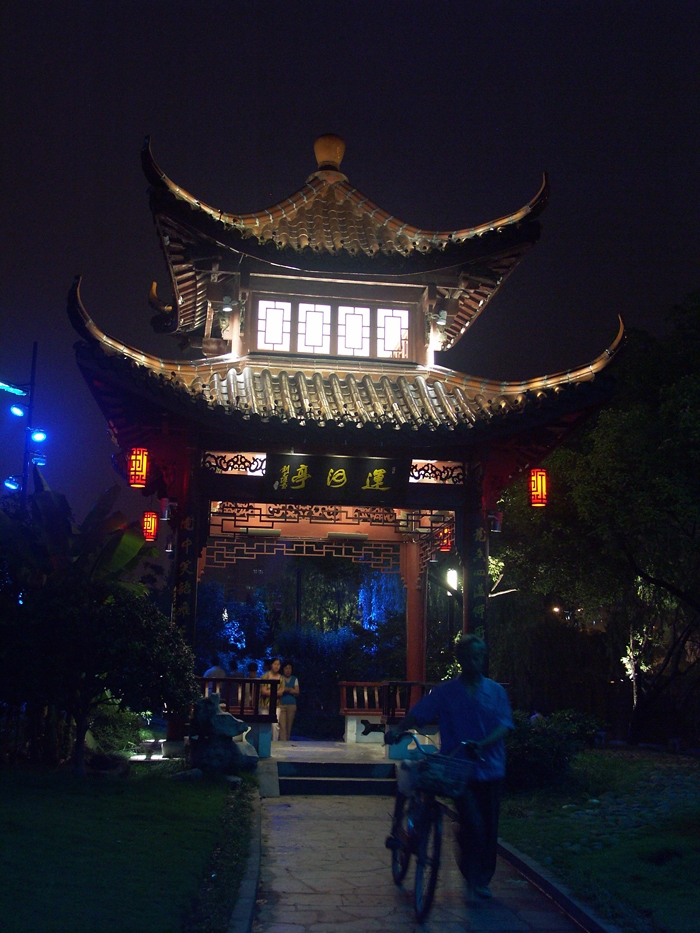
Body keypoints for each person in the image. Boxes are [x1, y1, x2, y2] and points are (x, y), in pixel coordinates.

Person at [385, 635, 513, 900]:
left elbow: (504, 725)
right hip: (457, 768)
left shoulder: (495, 692)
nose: (474, 662)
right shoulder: (446, 692)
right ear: (460, 659)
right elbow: (419, 713)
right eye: (469, 657)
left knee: (489, 827)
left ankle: (481, 877)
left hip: (490, 767)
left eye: (478, 657)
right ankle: (472, 874)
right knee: (473, 823)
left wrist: (483, 744)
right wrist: (398, 729)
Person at [260, 658, 282, 740]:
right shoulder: (265, 676)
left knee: (275, 724)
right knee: (264, 724)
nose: (276, 666)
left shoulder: (281, 678)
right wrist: (274, 691)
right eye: (275, 664)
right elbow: (263, 691)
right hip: (264, 704)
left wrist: (269, 691)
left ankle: (274, 742)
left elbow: (281, 693)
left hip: (276, 704)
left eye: (278, 664)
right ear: (271, 665)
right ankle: (264, 742)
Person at [278, 661, 300, 741]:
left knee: (289, 727)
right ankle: (282, 743)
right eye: (286, 668)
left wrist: (286, 689)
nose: (288, 670)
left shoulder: (294, 679)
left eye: (289, 668)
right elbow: (280, 690)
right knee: (282, 726)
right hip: (281, 704)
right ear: (283, 669)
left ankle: (287, 742)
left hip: (292, 705)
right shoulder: (280, 678)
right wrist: (290, 689)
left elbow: (297, 691)